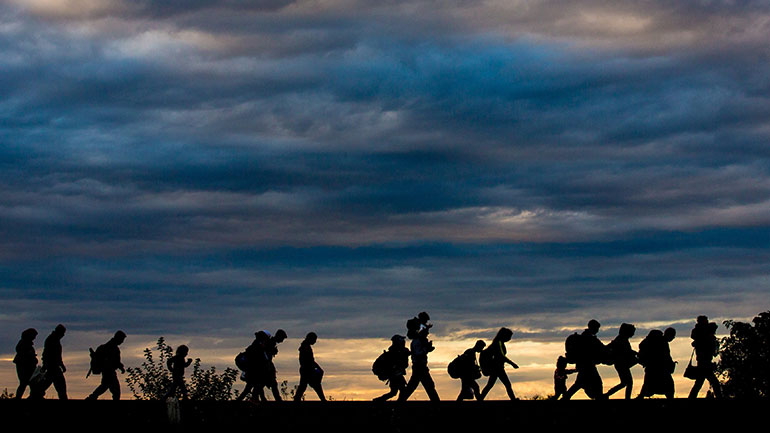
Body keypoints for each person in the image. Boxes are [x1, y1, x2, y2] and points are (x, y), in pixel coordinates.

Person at [399, 312, 440, 401]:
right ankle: (437, 405)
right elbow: (418, 353)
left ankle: (400, 402)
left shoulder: (418, 337)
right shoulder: (417, 340)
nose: (427, 333)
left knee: (415, 386)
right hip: (420, 367)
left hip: (419, 367)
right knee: (428, 386)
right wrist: (427, 349)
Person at [562, 319, 607, 400]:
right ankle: (599, 398)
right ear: (593, 327)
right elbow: (602, 348)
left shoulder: (585, 337)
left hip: (583, 366)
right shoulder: (589, 338)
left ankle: (565, 398)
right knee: (596, 383)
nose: (597, 330)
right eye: (597, 328)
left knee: (579, 384)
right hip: (588, 366)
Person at [479, 327, 519, 400]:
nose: (509, 339)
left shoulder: (498, 343)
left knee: (490, 385)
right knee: (507, 384)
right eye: (509, 336)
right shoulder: (498, 343)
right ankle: (513, 399)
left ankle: (480, 398)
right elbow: (501, 356)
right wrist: (512, 363)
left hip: (496, 368)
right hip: (497, 368)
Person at [30, 324, 68, 400]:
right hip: (53, 367)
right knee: (60, 386)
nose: (63, 335)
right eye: (63, 333)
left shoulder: (53, 339)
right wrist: (61, 364)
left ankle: (33, 396)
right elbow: (52, 354)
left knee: (48, 384)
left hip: (52, 366)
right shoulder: (52, 340)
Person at [86, 330, 127, 400]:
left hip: (106, 371)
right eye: (122, 339)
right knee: (115, 391)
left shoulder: (107, 346)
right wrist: (121, 367)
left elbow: (115, 361)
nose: (122, 341)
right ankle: (91, 397)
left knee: (105, 386)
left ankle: (92, 397)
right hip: (109, 371)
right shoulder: (113, 348)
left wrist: (120, 366)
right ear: (118, 338)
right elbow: (115, 361)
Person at [637, 327, 676, 399]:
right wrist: (671, 364)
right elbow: (666, 356)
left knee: (648, 384)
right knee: (669, 386)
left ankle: (640, 397)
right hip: (660, 368)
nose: (673, 338)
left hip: (651, 367)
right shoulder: (663, 342)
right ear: (669, 335)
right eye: (673, 336)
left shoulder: (656, 340)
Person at [688, 316, 722, 399]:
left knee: (699, 383)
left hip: (703, 361)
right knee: (714, 383)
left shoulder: (699, 332)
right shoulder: (702, 333)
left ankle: (691, 398)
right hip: (704, 362)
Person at [605, 323, 638, 399]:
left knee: (624, 383)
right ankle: (626, 398)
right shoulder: (621, 340)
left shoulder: (621, 339)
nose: (633, 334)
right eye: (632, 332)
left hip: (621, 364)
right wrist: (634, 354)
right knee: (628, 382)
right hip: (621, 364)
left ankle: (607, 394)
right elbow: (626, 351)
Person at [373, 335, 410, 401]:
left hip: (395, 375)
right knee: (401, 390)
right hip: (395, 375)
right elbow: (403, 364)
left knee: (394, 392)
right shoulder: (396, 352)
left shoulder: (397, 351)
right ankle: (399, 404)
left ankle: (378, 400)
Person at [236, 331, 270, 402]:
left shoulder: (255, 345)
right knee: (254, 386)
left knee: (251, 387)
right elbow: (260, 359)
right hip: (253, 371)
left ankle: (256, 400)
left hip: (251, 371)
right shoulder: (258, 346)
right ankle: (256, 400)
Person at [294, 332, 326, 401]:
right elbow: (309, 360)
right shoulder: (305, 347)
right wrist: (317, 368)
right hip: (308, 370)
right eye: (314, 340)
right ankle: (323, 399)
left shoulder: (305, 346)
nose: (315, 342)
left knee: (304, 386)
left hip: (307, 369)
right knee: (315, 385)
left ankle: (296, 399)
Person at [13, 328, 38, 399]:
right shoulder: (24, 344)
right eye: (34, 336)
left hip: (27, 366)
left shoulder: (25, 344)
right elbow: (24, 354)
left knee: (29, 383)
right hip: (25, 366)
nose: (34, 338)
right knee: (25, 382)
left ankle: (33, 396)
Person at [264, 329, 287, 401]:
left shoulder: (271, 342)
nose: (282, 341)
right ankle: (278, 399)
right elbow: (267, 356)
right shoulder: (271, 343)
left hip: (266, 366)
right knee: (272, 384)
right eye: (282, 338)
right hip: (265, 367)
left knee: (260, 384)